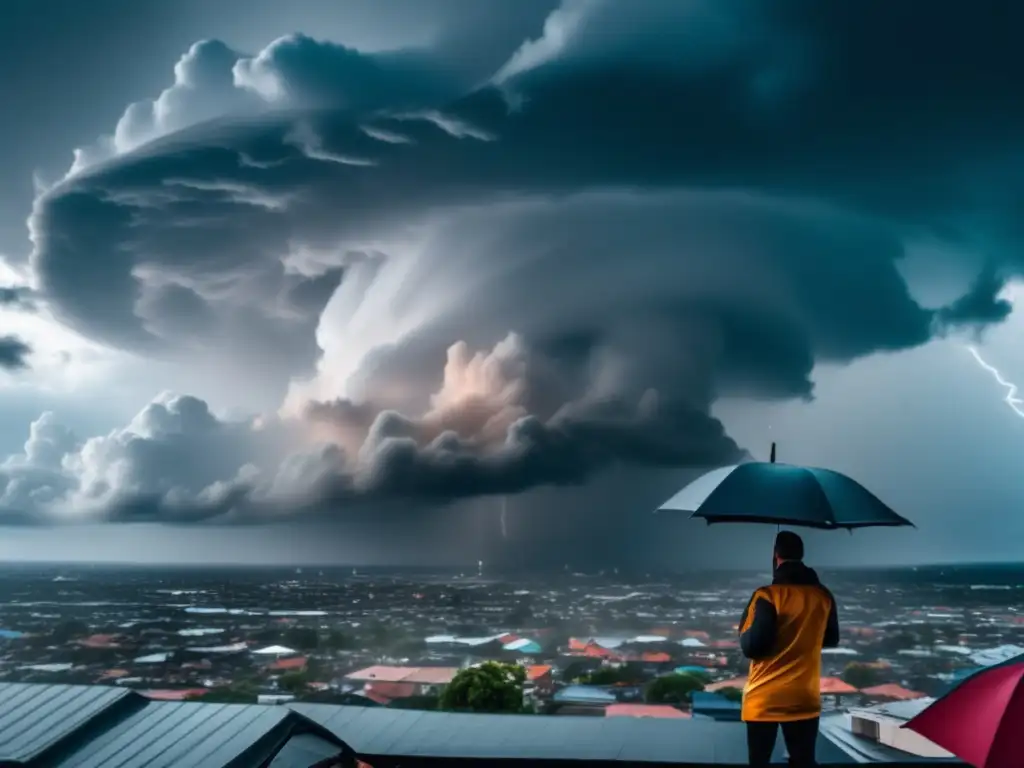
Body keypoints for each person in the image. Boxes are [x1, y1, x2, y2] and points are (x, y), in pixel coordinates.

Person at [738, 530, 840, 767]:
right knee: (804, 761)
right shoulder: (822, 596)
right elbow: (831, 638)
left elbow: (752, 647)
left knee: (759, 762)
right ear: (801, 555)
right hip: (804, 697)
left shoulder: (767, 596)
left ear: (776, 556)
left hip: (765, 699)